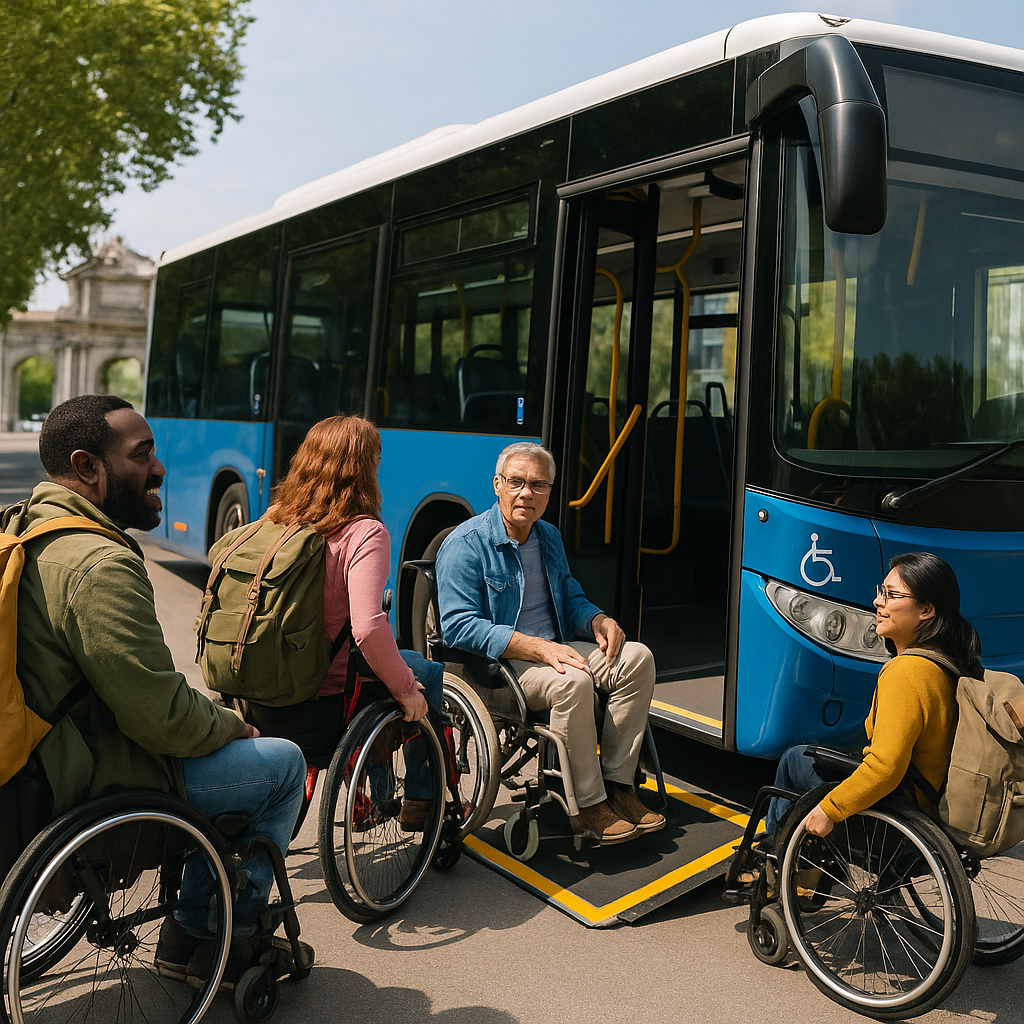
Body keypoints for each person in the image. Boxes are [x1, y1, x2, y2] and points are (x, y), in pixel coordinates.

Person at [3, 394, 309, 984]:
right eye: (142, 454)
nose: (160, 468)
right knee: (282, 764)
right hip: (87, 776)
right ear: (88, 466)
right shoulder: (97, 564)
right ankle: (216, 933)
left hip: (31, 757)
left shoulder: (23, 524)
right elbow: (162, 718)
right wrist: (230, 724)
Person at [436, 441, 665, 844]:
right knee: (572, 683)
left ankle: (618, 786)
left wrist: (597, 619)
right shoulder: (465, 544)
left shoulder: (549, 537)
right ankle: (588, 804)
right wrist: (537, 648)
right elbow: (457, 626)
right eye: (517, 482)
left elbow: (570, 596)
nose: (527, 493)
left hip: (555, 649)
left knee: (638, 658)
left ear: (549, 493)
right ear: (497, 485)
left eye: (538, 485)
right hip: (500, 666)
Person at [243, 415, 444, 831]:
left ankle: (378, 791)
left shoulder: (274, 519)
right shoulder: (364, 533)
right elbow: (368, 628)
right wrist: (406, 690)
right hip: (324, 697)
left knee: (389, 670)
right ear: (364, 467)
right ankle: (422, 801)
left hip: (259, 690)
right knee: (424, 672)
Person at [763, 551, 982, 841]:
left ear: (926, 609)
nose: (878, 601)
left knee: (796, 759)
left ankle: (779, 864)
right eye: (881, 592)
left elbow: (885, 768)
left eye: (892, 595)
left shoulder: (906, 672)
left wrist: (830, 809)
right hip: (931, 809)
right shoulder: (947, 664)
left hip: (897, 818)